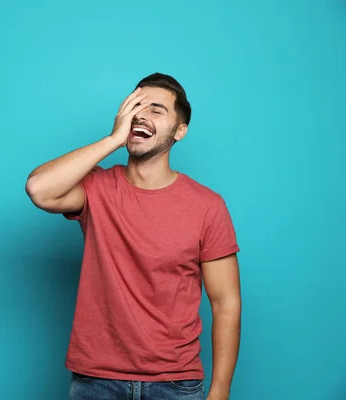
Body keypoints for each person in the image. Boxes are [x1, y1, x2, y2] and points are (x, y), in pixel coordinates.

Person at [25, 73, 241, 400]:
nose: (141, 114)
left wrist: (220, 391)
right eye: (135, 106)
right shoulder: (95, 188)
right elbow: (38, 189)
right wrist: (113, 139)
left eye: (156, 109)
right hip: (96, 382)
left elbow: (226, 303)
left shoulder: (207, 207)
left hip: (175, 384)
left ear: (180, 131)